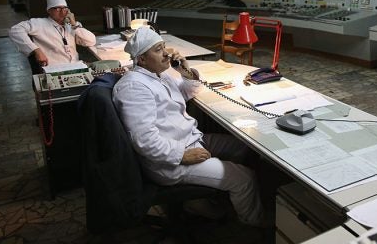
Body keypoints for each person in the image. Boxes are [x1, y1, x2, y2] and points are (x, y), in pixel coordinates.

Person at [112, 27, 265, 226]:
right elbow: (144, 139)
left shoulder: (158, 74)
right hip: (170, 161)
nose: (166, 53)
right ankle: (253, 224)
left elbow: (187, 92)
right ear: (141, 59)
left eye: (164, 47)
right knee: (245, 178)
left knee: (243, 147)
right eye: (158, 50)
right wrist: (181, 155)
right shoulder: (134, 87)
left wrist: (184, 70)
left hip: (190, 139)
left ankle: (203, 199)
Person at [9, 0, 96, 68]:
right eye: (57, 8)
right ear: (49, 10)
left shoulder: (73, 26)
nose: (62, 12)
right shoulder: (39, 23)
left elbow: (91, 41)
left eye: (65, 8)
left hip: (75, 66)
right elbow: (15, 30)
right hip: (54, 68)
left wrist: (74, 25)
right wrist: (36, 50)